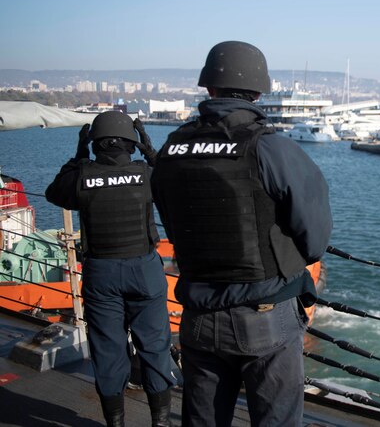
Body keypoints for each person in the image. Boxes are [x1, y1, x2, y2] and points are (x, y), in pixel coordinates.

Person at [150, 41, 332, 426]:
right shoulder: (272, 150)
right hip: (265, 317)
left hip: (198, 317)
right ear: (258, 91)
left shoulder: (171, 149)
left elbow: (173, 224)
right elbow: (315, 241)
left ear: (209, 89)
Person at [45, 111, 175, 427]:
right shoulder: (146, 174)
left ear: (95, 143)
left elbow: (54, 192)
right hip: (143, 270)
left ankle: (115, 423)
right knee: (155, 345)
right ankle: (160, 422)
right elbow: (174, 182)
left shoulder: (81, 177)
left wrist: (78, 155)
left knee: (107, 348)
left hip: (100, 273)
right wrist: (149, 149)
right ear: (131, 142)